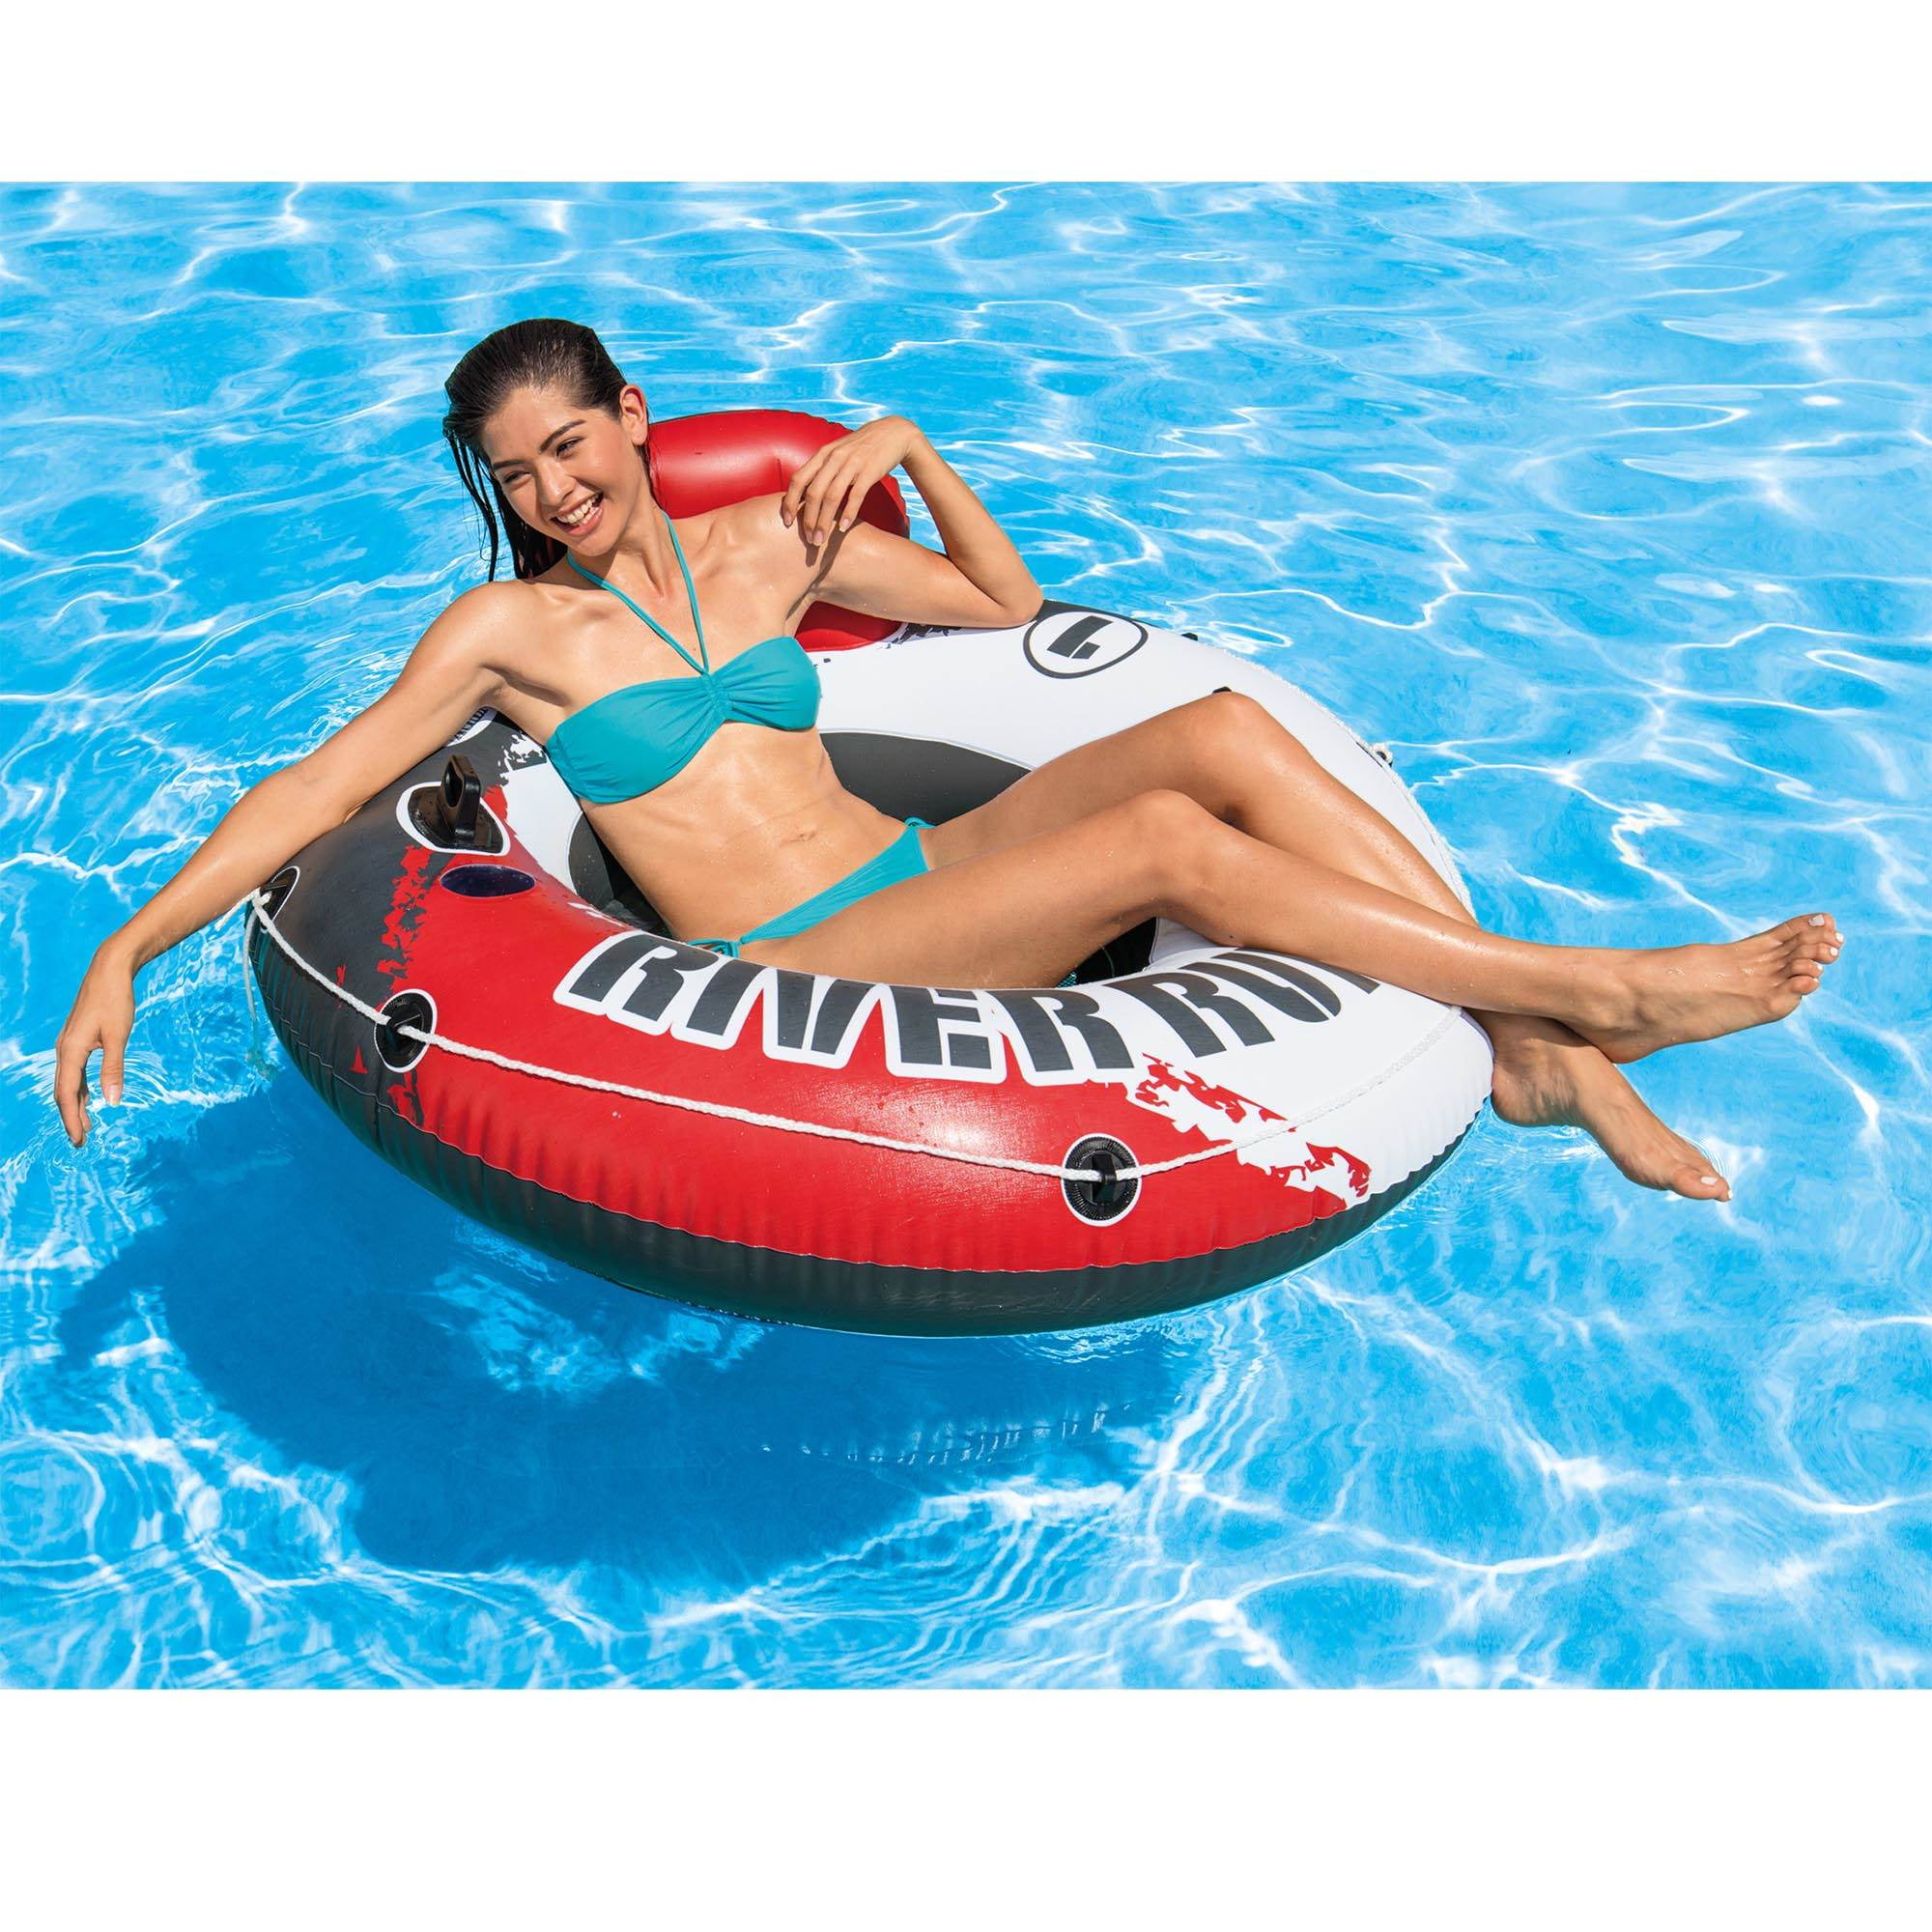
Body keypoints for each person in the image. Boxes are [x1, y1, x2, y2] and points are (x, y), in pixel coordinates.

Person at [54, 319, 1841, 1197]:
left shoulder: (765, 546)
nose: (551, 491)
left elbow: (1012, 606)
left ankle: (1524, 1051)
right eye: (515, 475)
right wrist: (129, 947)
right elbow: (314, 791)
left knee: (1213, 736)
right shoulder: (508, 635)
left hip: (921, 879)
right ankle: (1590, 995)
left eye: (569, 446)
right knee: (1166, 841)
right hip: (792, 960)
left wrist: (905, 441)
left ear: (632, 419)